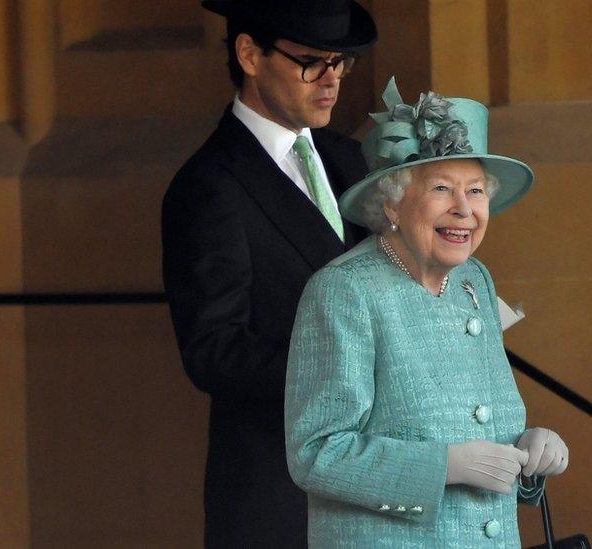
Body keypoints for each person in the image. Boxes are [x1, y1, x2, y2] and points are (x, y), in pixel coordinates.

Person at [284, 78, 569, 547]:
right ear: (392, 202)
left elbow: (480, 430)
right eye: (442, 188)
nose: (464, 210)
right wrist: (445, 467)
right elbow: (315, 453)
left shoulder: (474, 280)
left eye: (476, 191)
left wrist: (529, 451)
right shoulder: (344, 291)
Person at [161, 0, 377, 545]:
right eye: (311, 62)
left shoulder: (352, 159)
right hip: (279, 493)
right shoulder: (208, 185)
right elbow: (214, 350)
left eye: (340, 61)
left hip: (378, 481)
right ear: (249, 54)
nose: (331, 79)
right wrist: (351, 373)